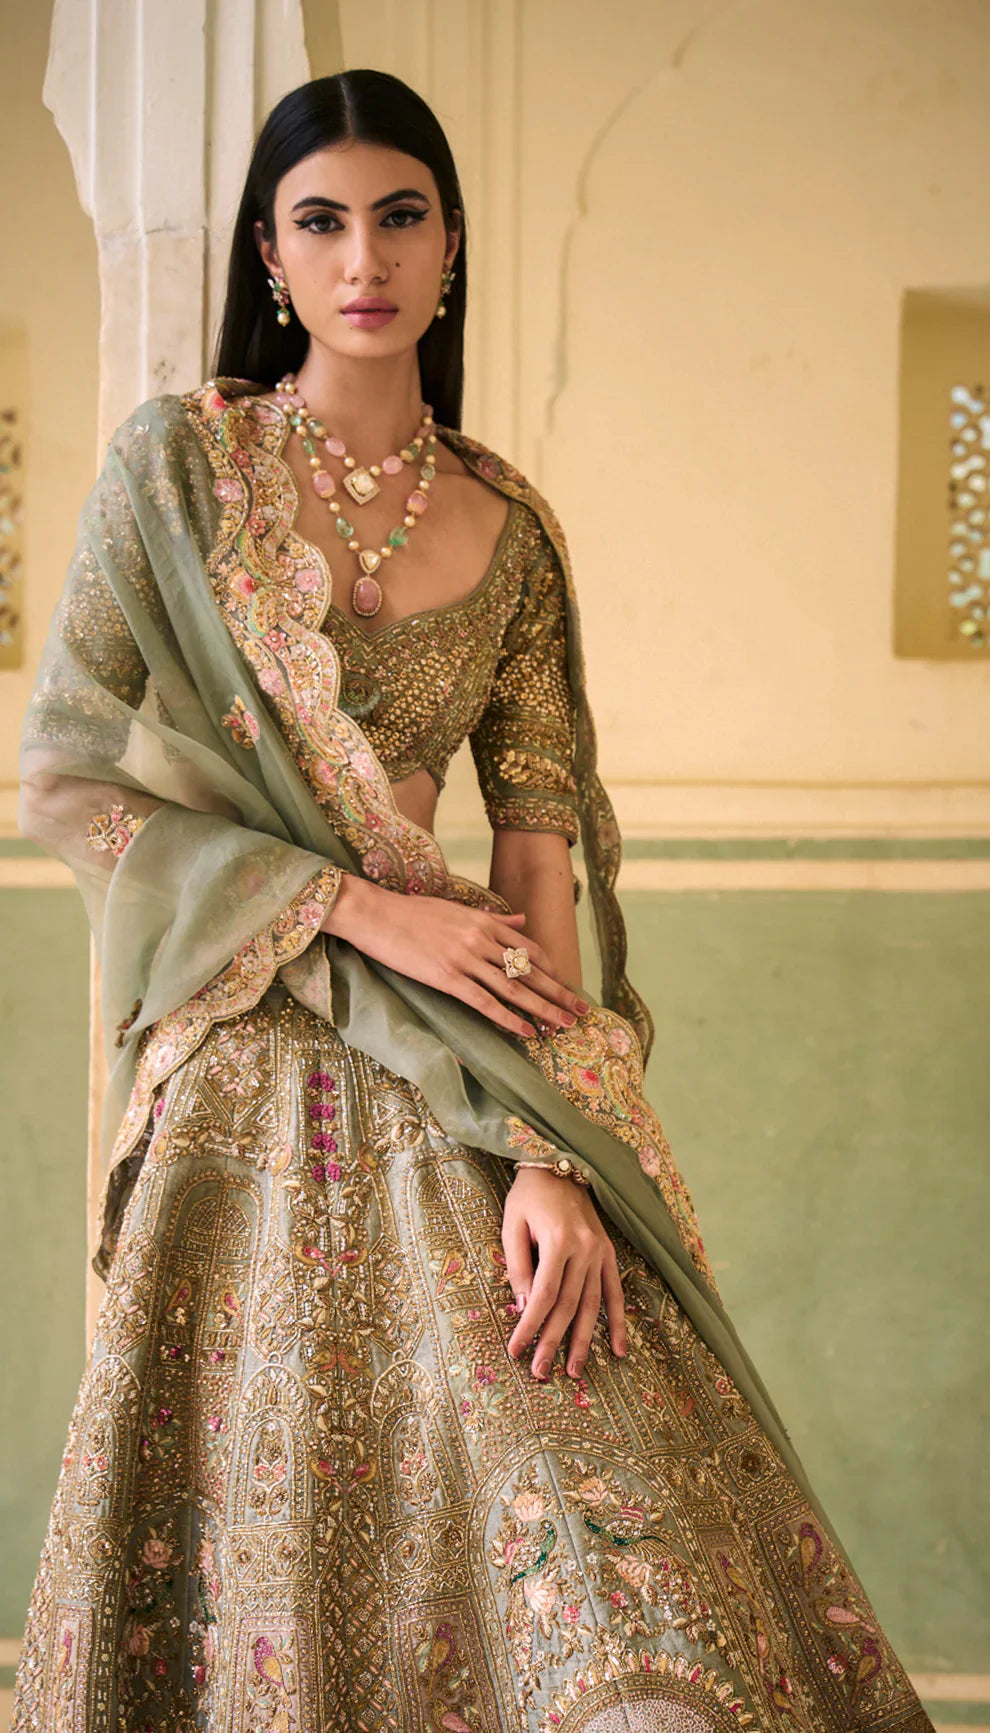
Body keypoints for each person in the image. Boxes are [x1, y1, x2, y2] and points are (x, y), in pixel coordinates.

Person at [11, 67, 931, 1733]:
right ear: (271, 260)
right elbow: (67, 776)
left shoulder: (513, 536)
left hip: (466, 1079)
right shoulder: (179, 475)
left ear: (448, 248)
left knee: (631, 1630)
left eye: (399, 214)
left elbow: (532, 865)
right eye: (320, 220)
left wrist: (554, 1150)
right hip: (242, 1081)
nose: (362, 254)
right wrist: (358, 909)